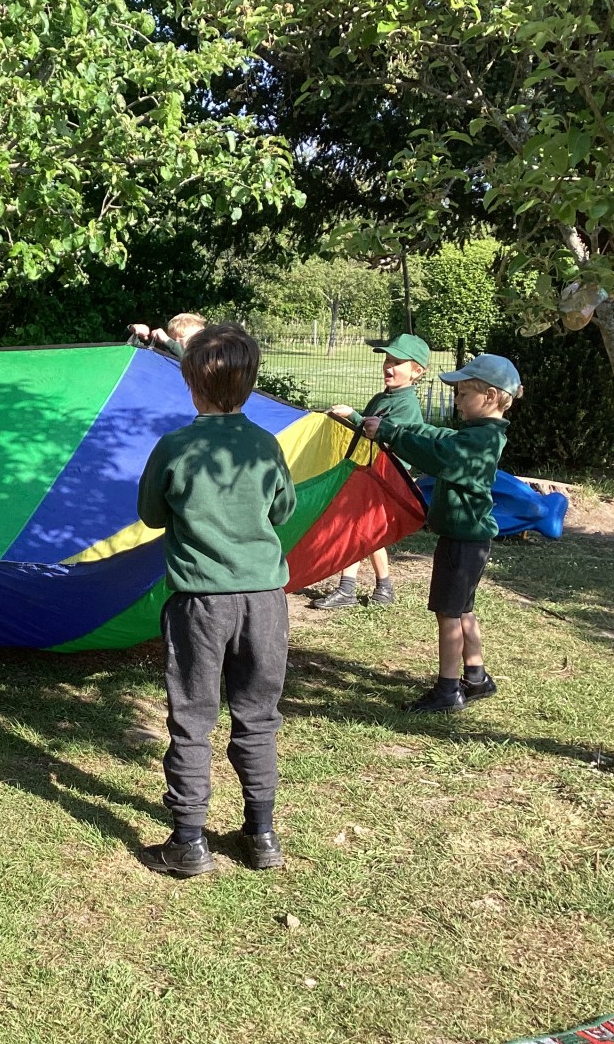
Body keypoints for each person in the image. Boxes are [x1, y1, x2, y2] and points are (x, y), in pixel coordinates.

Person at [135, 324, 297, 876]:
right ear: (251, 382)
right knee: (258, 716)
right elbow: (281, 511)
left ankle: (188, 840)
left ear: (189, 382)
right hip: (265, 600)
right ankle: (262, 835)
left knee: (193, 718)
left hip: (200, 602)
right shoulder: (266, 445)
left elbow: (152, 515)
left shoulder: (176, 447)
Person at [362, 353, 521, 714]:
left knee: (448, 613)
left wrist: (389, 433)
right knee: (463, 609)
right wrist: (396, 428)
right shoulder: (480, 434)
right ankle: (477, 677)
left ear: (491, 396)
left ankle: (448, 689)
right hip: (471, 540)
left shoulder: (478, 442)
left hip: (462, 540)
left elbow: (440, 455)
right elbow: (437, 436)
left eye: (464, 394)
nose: (457, 400)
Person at [311, 333, 432, 609]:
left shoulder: (406, 405)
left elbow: (383, 436)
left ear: (417, 371)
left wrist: (354, 416)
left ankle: (348, 588)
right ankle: (383, 587)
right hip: (370, 473)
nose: (388, 366)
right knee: (366, 530)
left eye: (397, 362)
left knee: (358, 528)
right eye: (387, 360)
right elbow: (364, 431)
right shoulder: (383, 397)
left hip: (388, 478)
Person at [128, 313, 206, 358]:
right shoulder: (164, 355)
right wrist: (134, 330)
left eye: (182, 341)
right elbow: (133, 352)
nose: (175, 344)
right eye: (173, 340)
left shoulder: (199, 363)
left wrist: (167, 340)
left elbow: (186, 359)